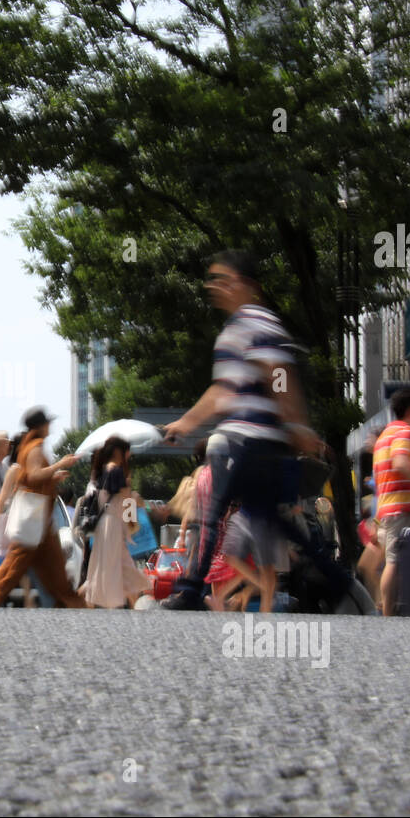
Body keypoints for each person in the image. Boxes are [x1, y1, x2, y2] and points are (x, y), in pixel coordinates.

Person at [159, 250, 321, 611]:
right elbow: (223, 392)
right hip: (244, 440)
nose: (212, 287)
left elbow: (278, 377)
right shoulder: (235, 330)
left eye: (221, 280)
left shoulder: (257, 324)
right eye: (211, 279)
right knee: (249, 516)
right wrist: (186, 423)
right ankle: (329, 577)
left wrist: (294, 423)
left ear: (245, 285)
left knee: (216, 515)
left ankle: (191, 589)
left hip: (254, 441)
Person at [0, 407, 86, 608]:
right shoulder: (35, 448)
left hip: (40, 522)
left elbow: (31, 478)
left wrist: (53, 476)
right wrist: (59, 465)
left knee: (53, 571)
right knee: (12, 571)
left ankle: (65, 604)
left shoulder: (29, 446)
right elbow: (34, 475)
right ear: (41, 426)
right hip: (35, 520)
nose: (49, 428)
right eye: (47, 424)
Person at [79, 436, 150, 608]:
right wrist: (135, 496)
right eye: (127, 452)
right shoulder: (117, 471)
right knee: (108, 568)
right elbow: (127, 500)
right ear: (120, 452)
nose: (128, 456)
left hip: (106, 525)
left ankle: (130, 604)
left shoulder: (102, 471)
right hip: (112, 526)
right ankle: (85, 602)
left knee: (113, 567)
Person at [372, 389, 410, 616]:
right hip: (400, 508)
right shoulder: (405, 431)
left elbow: (382, 476)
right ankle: (388, 614)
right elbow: (401, 463)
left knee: (395, 559)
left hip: (386, 508)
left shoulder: (383, 437)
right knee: (393, 561)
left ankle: (392, 610)